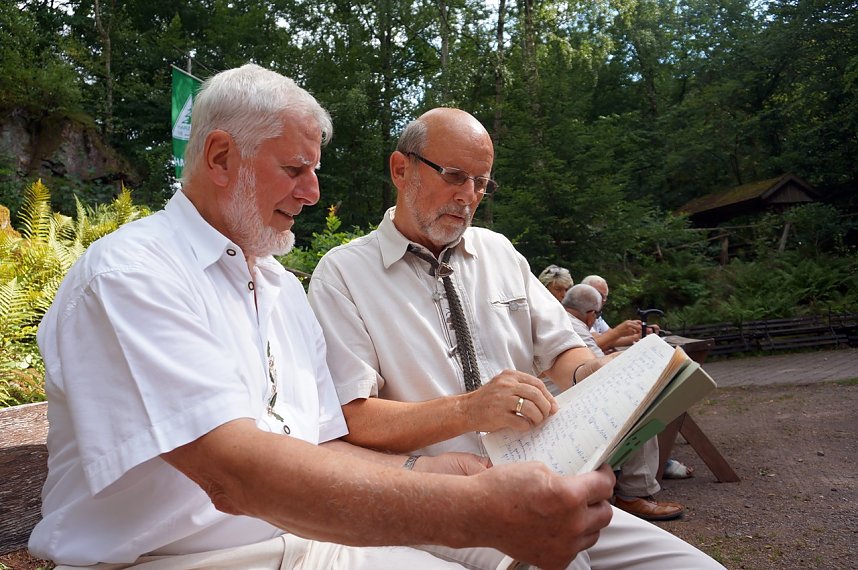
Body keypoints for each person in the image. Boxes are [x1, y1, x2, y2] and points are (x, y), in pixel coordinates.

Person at [28, 65, 618, 570]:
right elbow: (234, 476)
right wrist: (473, 510)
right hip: (174, 559)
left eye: (314, 170)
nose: (312, 192)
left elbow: (323, 446)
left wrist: (434, 472)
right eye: (294, 169)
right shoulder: (132, 275)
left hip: (306, 546)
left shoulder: (281, 288)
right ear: (221, 157)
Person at [308, 107, 723, 569]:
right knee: (567, 562)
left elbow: (562, 351)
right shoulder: (343, 274)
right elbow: (351, 417)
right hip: (441, 495)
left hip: (546, 479)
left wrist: (597, 373)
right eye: (454, 176)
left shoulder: (499, 251)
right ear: (401, 170)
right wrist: (468, 410)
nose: (468, 196)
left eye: (482, 183)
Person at [561, 285, 685, 521]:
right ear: (592, 314)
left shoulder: (561, 321)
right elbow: (599, 372)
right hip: (570, 405)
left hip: (563, 399)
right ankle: (635, 493)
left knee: (634, 400)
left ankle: (632, 484)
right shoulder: (571, 327)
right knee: (640, 409)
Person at [580, 274, 652, 353]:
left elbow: (609, 337)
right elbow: (595, 343)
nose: (602, 301)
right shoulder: (579, 315)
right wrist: (621, 332)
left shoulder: (596, 314)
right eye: (599, 295)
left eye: (605, 297)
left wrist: (641, 331)